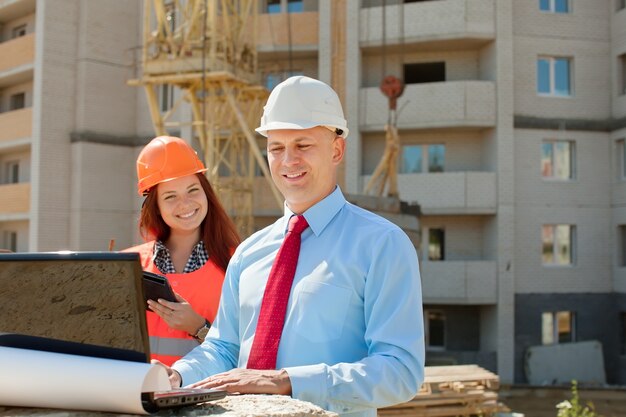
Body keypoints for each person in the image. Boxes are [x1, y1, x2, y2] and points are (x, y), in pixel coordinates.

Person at [161, 76, 424, 416]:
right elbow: (224, 349)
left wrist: (288, 380)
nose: (288, 161)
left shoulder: (381, 245)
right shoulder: (249, 253)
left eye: (303, 145)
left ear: (337, 150)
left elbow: (401, 372)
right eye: (277, 148)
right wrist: (176, 375)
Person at [124, 136, 240, 366]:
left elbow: (248, 352)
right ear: (155, 206)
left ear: (206, 192)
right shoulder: (129, 264)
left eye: (192, 190)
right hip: (139, 392)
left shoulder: (237, 263)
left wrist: (199, 328)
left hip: (207, 394)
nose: (185, 204)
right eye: (170, 196)